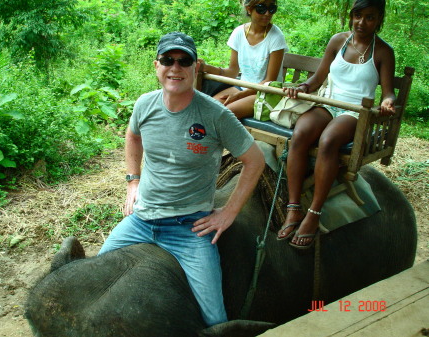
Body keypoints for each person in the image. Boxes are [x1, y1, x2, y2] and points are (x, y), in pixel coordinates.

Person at [98, 32, 265, 326]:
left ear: (196, 67)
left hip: (188, 229)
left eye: (184, 61)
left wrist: (228, 213)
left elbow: (255, 160)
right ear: (157, 65)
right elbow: (133, 135)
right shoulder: (144, 105)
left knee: (215, 318)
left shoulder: (216, 115)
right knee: (96, 277)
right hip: (141, 219)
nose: (175, 68)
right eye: (168, 60)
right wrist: (132, 181)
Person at [277, 0, 396, 249]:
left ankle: (314, 214)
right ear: (352, 16)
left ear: (380, 19)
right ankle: (294, 207)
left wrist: (387, 102)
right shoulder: (338, 41)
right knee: (300, 134)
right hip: (329, 103)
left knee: (328, 141)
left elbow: (388, 92)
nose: (362, 22)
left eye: (370, 17)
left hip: (355, 113)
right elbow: (318, 77)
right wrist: (302, 87)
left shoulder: (383, 52)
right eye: (358, 15)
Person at [199, 0, 288, 119]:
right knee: (208, 107)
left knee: (224, 114)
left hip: (265, 92)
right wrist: (206, 68)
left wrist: (240, 95)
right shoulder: (239, 33)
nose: (267, 13)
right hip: (242, 88)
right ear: (249, 9)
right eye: (261, 8)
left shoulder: (276, 37)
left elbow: (269, 81)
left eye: (272, 8)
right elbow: (232, 72)